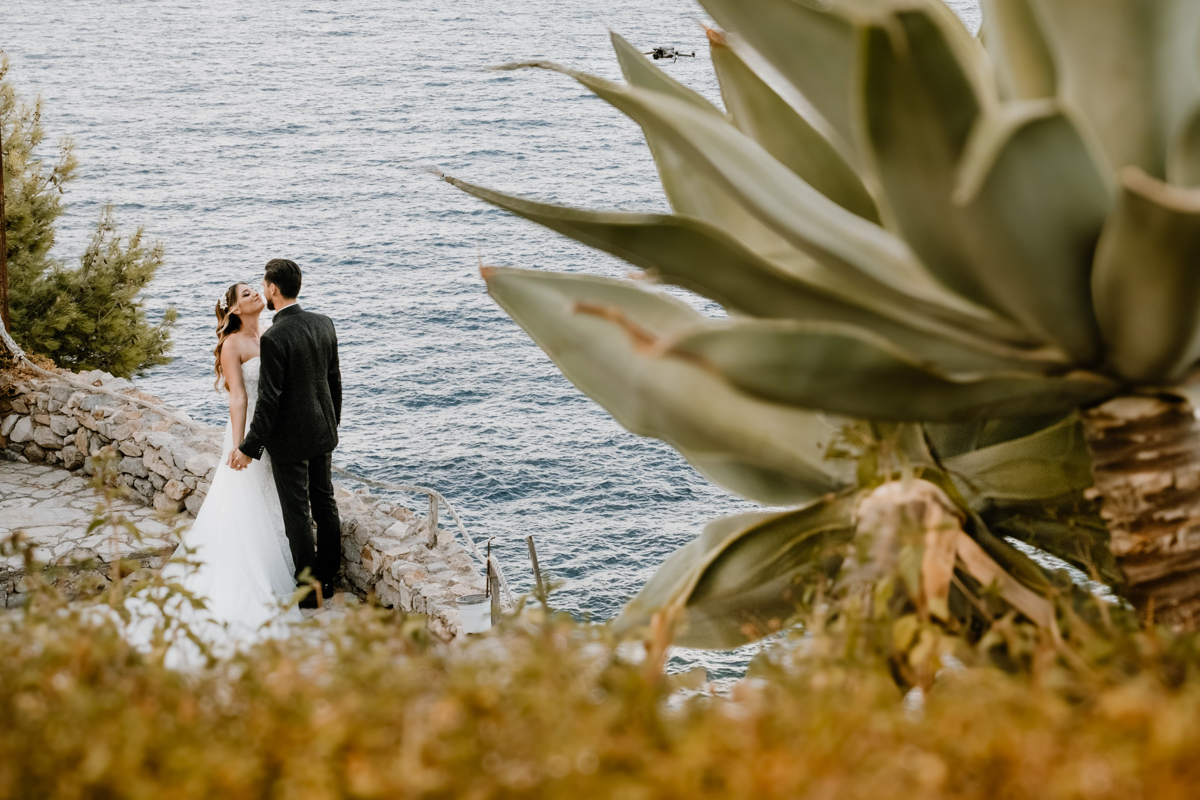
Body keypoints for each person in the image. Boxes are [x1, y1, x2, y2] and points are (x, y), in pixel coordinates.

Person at [125, 280, 302, 665]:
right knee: (249, 500)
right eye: (246, 295)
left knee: (276, 501)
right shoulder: (232, 345)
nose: (256, 294)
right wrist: (241, 446)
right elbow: (238, 397)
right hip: (251, 433)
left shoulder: (273, 331)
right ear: (235, 310)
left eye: (256, 290)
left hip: (278, 432)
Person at [229, 258, 343, 608]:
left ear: (273, 289)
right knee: (325, 503)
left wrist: (250, 446)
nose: (263, 291)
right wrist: (331, 423)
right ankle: (329, 578)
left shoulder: (275, 337)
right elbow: (334, 382)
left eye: (263, 286)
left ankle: (310, 593)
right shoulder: (324, 323)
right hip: (323, 431)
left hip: (289, 441)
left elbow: (269, 401)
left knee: (296, 513)